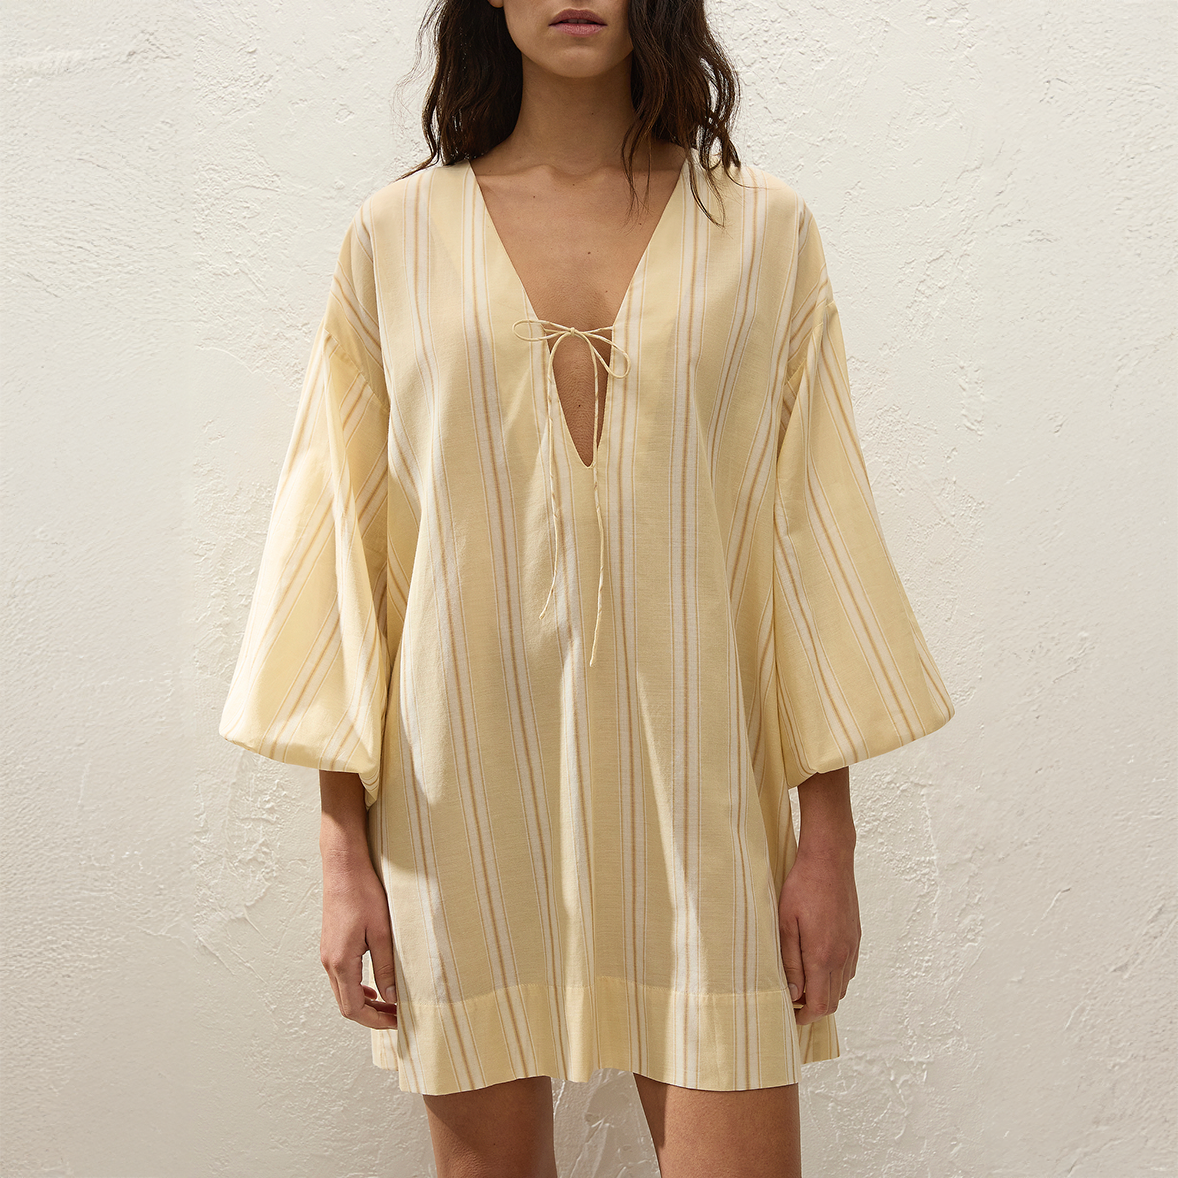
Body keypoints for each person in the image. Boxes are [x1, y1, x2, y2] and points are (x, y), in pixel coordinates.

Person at [219, 1, 954, 1174]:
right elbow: (342, 552)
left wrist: (828, 839)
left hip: (703, 802)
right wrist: (339, 849)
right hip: (459, 809)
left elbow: (812, 541)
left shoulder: (761, 233)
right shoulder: (393, 240)